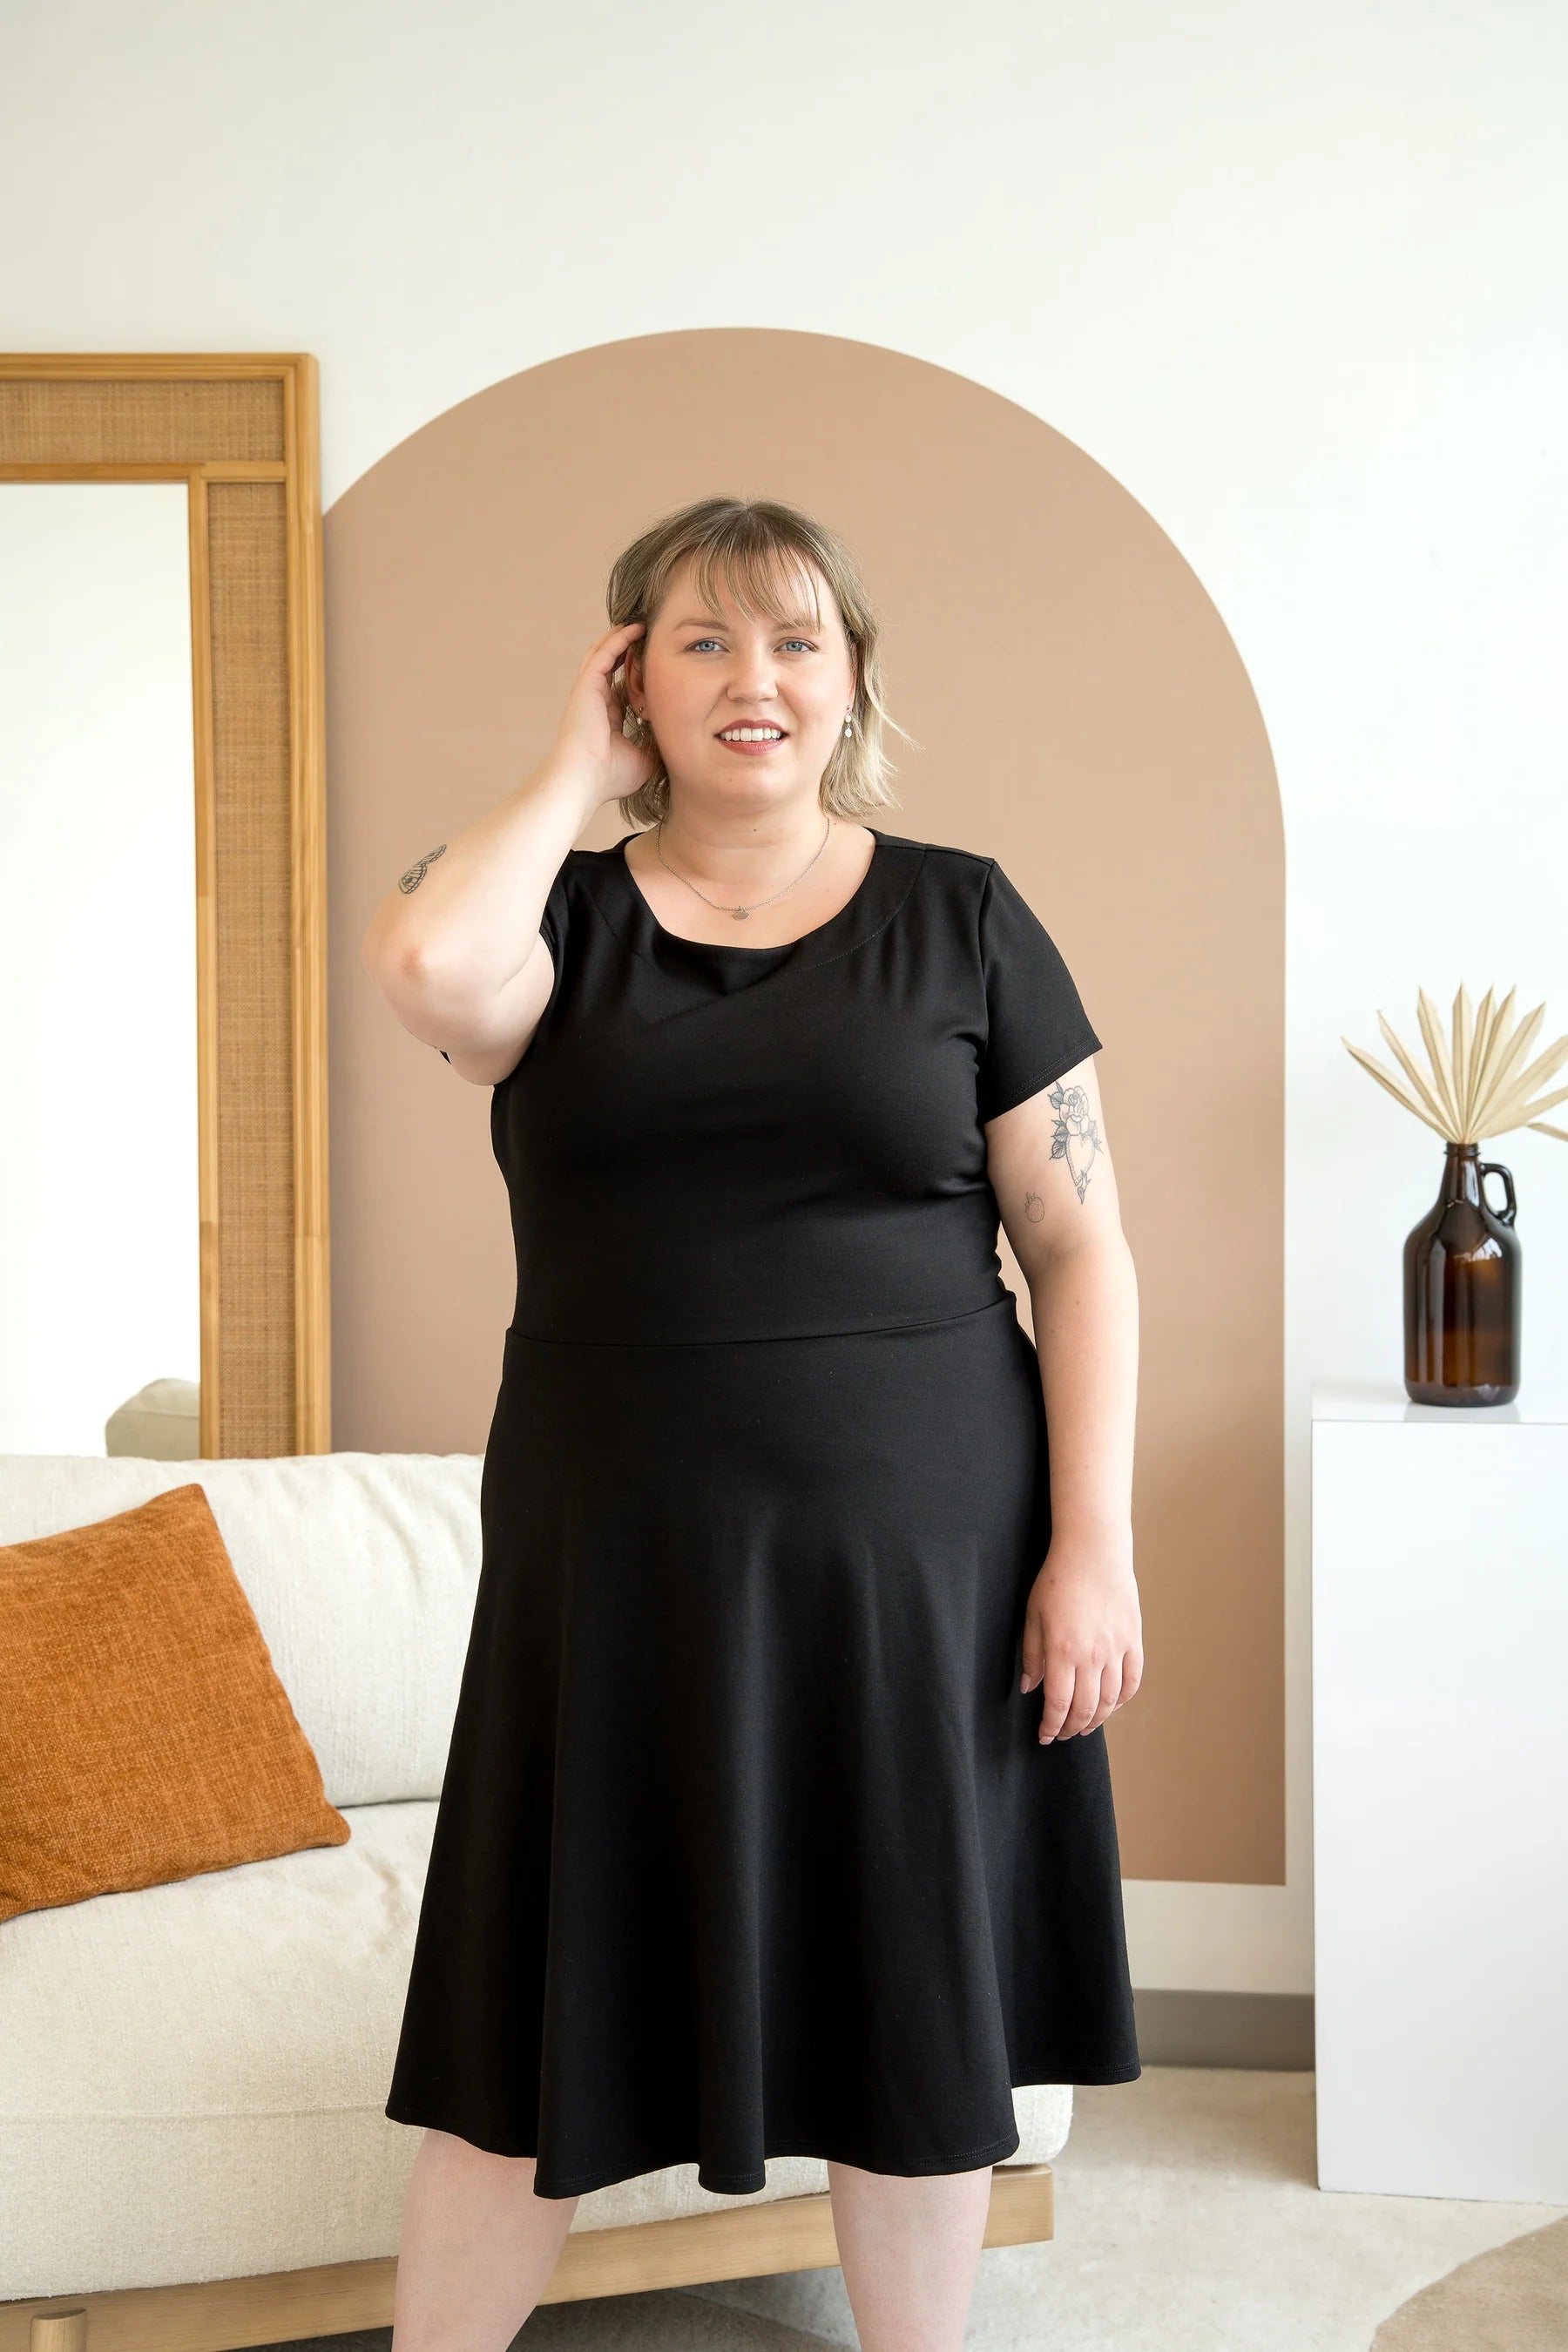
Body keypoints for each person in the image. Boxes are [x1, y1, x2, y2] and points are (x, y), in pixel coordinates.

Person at [362, 493, 1144, 2352]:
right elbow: (428, 982)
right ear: (631, 675)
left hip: (928, 1559)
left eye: (797, 638)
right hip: (615, 1559)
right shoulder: (540, 912)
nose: (755, 680)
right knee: (520, 2033)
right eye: (702, 640)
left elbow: (1082, 1244)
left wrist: (1091, 1544)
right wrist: (571, 766)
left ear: (856, 673)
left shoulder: (966, 913)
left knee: (913, 2014)